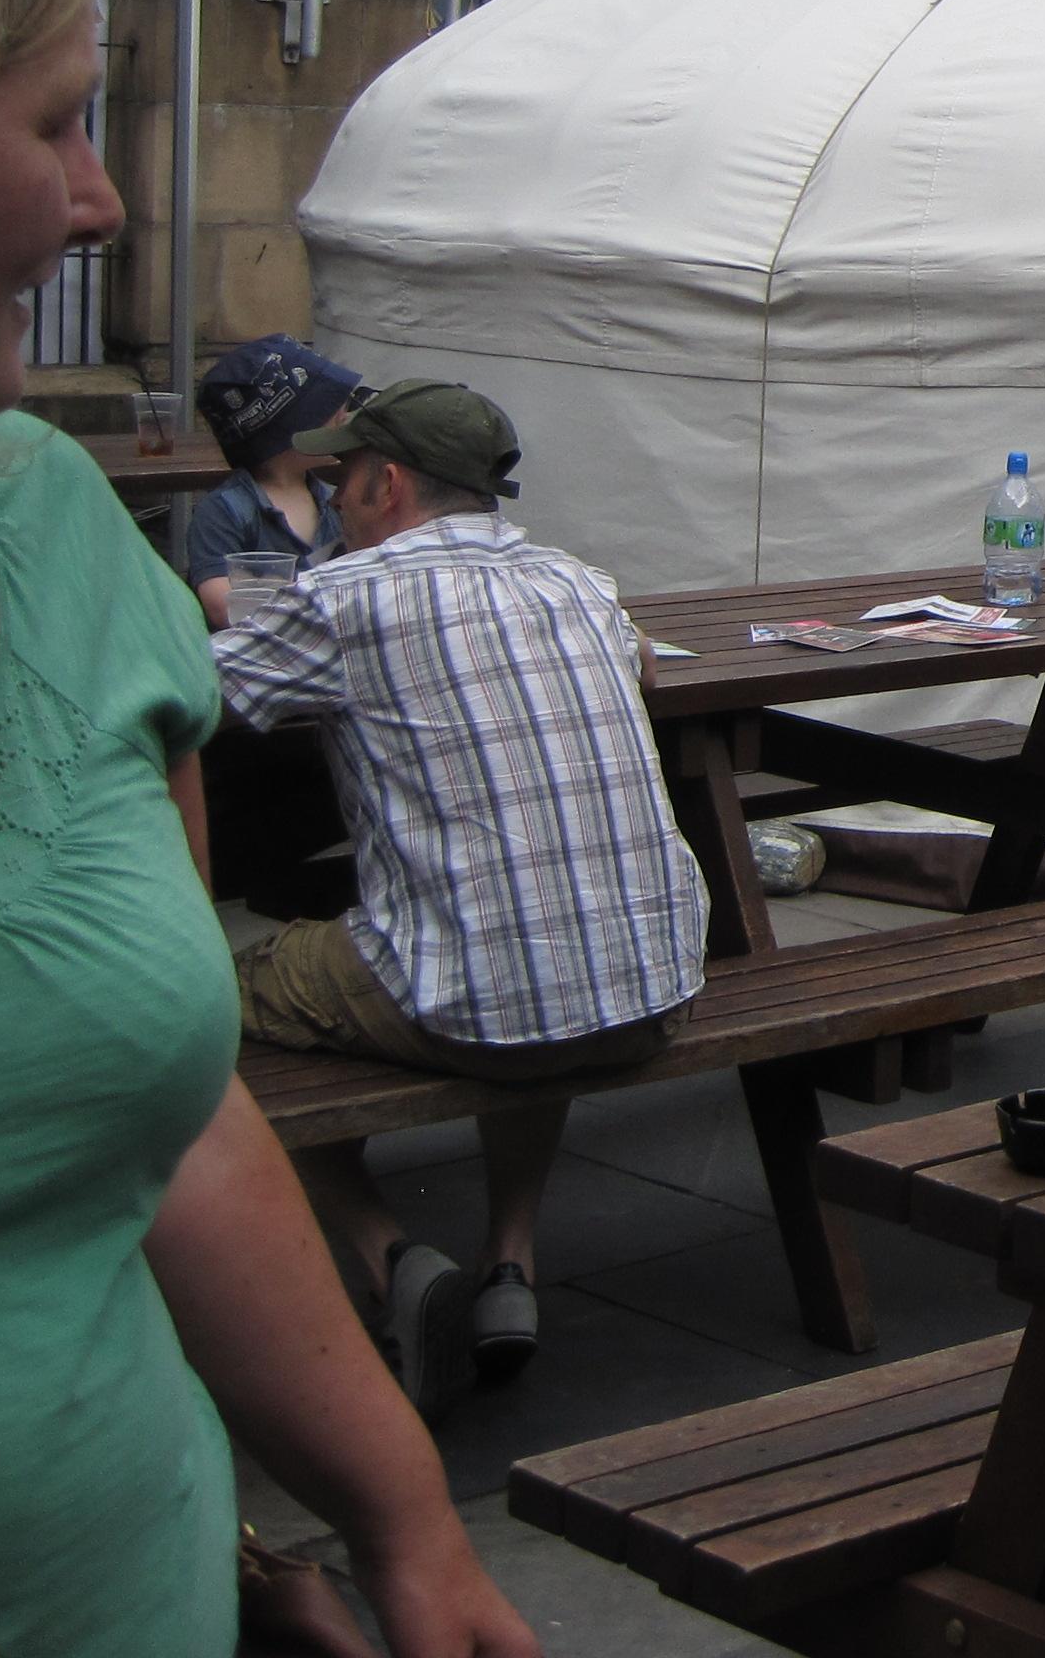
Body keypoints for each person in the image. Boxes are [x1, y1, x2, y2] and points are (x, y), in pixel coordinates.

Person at [0, 0, 533, 1656]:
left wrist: (389, 1529)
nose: (102, 202)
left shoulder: (54, 529)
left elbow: (174, 1113)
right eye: (53, 124)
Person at [214, 380, 710, 1415]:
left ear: (385, 484)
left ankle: (387, 1255)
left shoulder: (343, 597)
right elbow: (646, 670)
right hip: (652, 990)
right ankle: (508, 1266)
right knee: (540, 917)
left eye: (340, 477)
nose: (335, 496)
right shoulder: (580, 583)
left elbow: (189, 696)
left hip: (477, 1005)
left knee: (200, 1008)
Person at [185, 331, 361, 625]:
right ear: (286, 431)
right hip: (250, 660)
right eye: (328, 411)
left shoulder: (335, 498)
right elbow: (220, 605)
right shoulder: (224, 511)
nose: (343, 416)